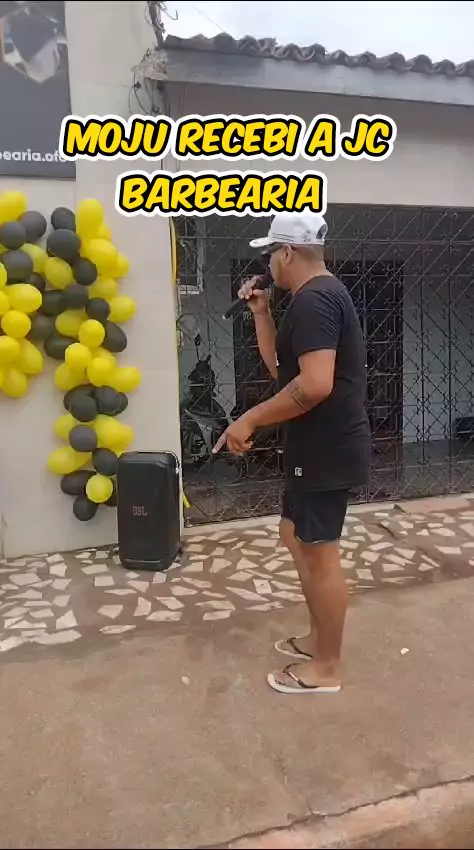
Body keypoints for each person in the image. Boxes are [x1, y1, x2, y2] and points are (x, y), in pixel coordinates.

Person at [213, 211, 371, 695]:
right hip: (314, 445)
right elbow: (285, 371)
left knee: (320, 553)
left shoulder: (316, 300)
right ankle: (318, 639)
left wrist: (250, 418)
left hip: (327, 446)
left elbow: (317, 384)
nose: (267, 266)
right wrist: (262, 313)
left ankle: (327, 667)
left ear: (286, 253)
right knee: (294, 535)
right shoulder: (313, 297)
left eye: (270, 254)